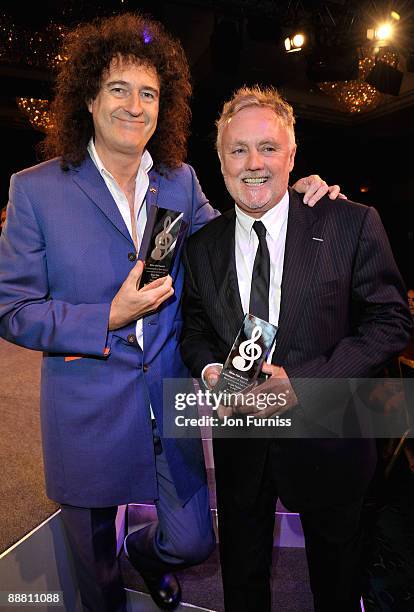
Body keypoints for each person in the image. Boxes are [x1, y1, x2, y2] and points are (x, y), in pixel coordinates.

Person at [0, 14, 341, 612]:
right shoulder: (36, 189)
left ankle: (148, 554)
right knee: (93, 571)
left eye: (149, 93)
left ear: (165, 106)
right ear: (88, 96)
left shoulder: (180, 183)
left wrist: (301, 197)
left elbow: (235, 234)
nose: (135, 106)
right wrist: (105, 315)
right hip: (84, 403)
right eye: (119, 89)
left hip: (169, 396)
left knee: (191, 541)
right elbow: (13, 308)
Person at [180, 86, 412, 612]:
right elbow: (193, 329)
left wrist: (304, 384)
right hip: (242, 443)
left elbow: (391, 321)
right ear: (219, 161)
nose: (253, 163)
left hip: (330, 436)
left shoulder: (350, 222)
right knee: (242, 580)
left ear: (291, 154)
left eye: (267, 147)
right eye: (238, 150)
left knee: (335, 584)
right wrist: (213, 368)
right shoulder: (202, 247)